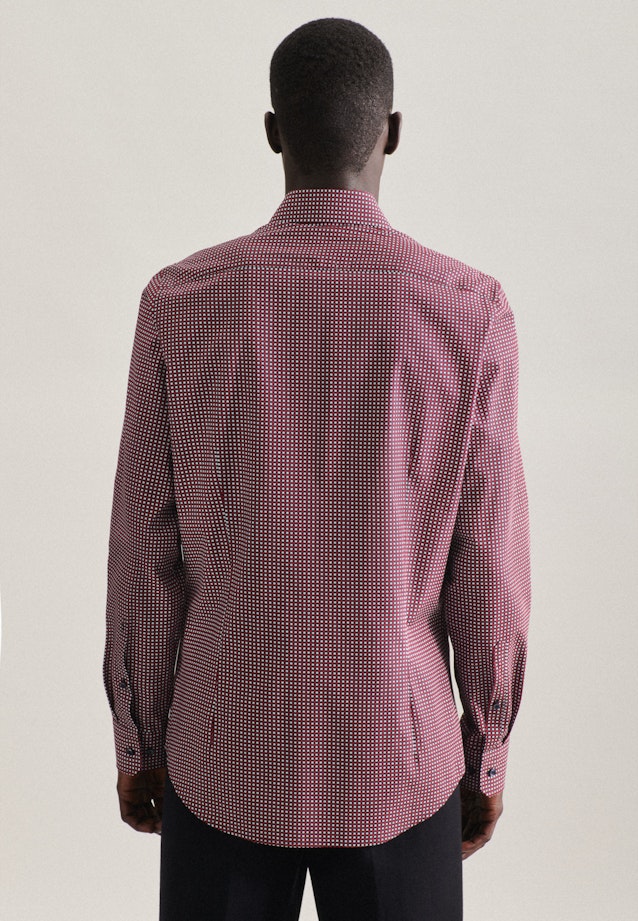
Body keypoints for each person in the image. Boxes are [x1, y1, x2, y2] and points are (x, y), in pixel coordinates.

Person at [103, 17, 531, 921]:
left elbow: (146, 548)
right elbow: (488, 564)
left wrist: (139, 737)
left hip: (219, 749)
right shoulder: (469, 310)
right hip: (401, 756)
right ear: (392, 132)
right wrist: (486, 745)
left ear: (273, 132)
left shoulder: (179, 302)